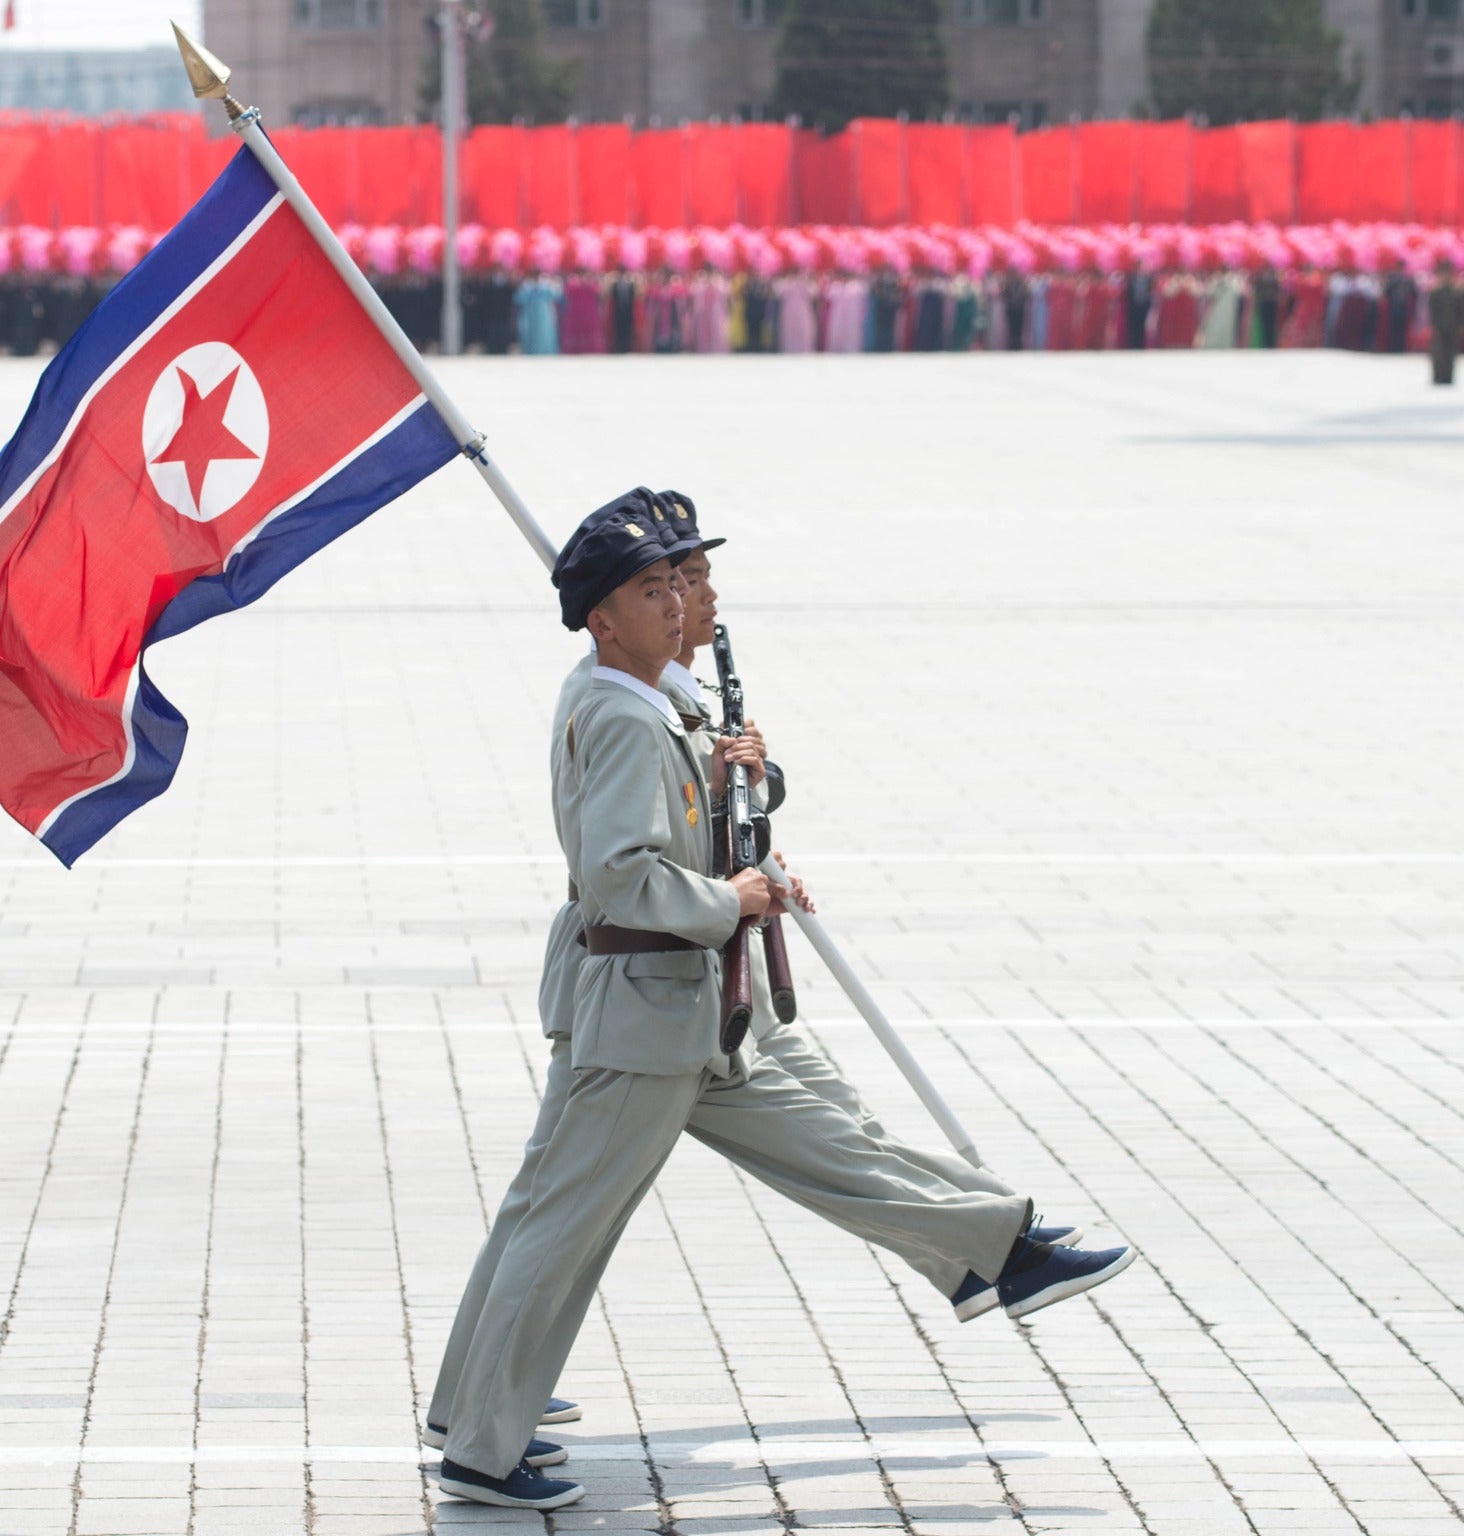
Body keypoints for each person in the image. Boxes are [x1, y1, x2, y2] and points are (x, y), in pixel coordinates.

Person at [431, 501, 1135, 1510]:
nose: (677, 603)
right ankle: (482, 1452)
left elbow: (671, 832)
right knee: (564, 1222)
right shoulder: (624, 712)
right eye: (651, 588)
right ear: (602, 618)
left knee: (779, 1152)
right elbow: (621, 872)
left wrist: (739, 806)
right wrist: (734, 899)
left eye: (677, 584)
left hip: (677, 1008)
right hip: (647, 1010)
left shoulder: (641, 699)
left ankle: (996, 1247)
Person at [1429, 259, 1461, 387]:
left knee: (1451, 351)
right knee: (1438, 351)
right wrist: (1434, 324)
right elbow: (1431, 310)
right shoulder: (1435, 292)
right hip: (1439, 326)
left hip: (1453, 325)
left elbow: (1461, 310)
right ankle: (1438, 376)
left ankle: (1448, 377)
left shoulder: (1457, 292)